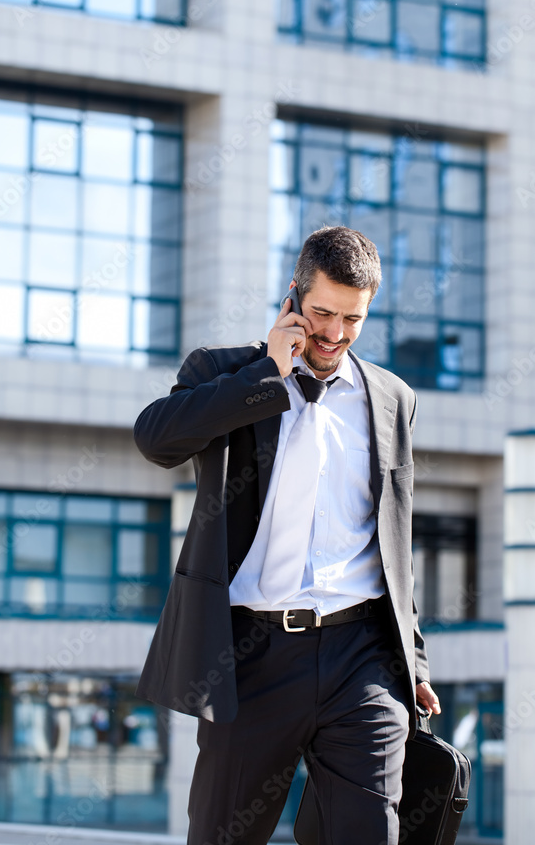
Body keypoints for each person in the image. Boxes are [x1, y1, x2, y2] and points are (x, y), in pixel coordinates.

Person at [134, 225, 440, 845]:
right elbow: (156, 440)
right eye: (323, 312)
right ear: (293, 298)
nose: (335, 333)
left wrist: (413, 658)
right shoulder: (226, 372)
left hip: (363, 657)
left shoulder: (391, 398)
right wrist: (268, 375)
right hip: (250, 657)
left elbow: (393, 539)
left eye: (352, 319)